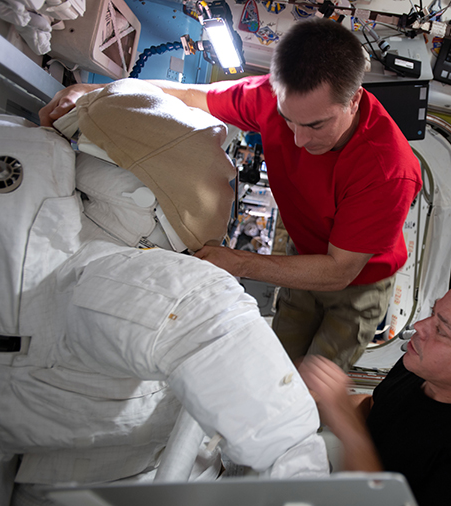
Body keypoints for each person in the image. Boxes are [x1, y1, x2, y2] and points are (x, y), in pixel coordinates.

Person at [0, 80, 328, 506]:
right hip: (97, 472)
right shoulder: (161, 286)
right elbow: (284, 442)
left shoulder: (9, 157)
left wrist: (95, 96)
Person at [39, 18, 423, 370]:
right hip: (305, 255)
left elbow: (341, 270)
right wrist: (96, 92)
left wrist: (238, 262)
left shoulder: (388, 169)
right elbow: (190, 95)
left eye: (315, 125)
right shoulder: (270, 99)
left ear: (354, 99)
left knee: (310, 389)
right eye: (288, 120)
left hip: (358, 282)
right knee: (271, 367)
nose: (299, 139)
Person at [299, 271, 451, 506]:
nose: (419, 326)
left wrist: (349, 430)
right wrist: (317, 405)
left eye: (441, 330)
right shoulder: (420, 369)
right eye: (432, 312)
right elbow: (378, 408)